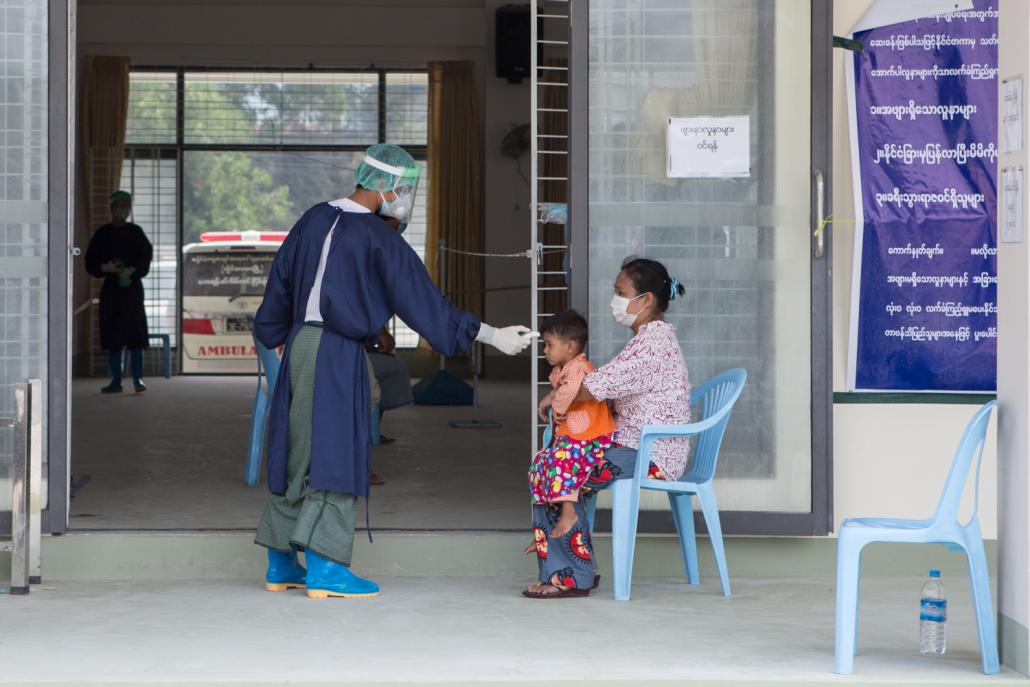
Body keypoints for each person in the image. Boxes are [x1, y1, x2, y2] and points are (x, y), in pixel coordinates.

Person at [253, 143, 532, 600]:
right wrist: (490, 334)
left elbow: (279, 283)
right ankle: (325, 570)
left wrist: (278, 336)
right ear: (387, 186)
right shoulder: (379, 238)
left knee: (297, 452)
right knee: (335, 455)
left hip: (300, 345)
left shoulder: (313, 218)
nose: (404, 196)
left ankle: (280, 562)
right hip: (338, 352)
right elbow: (424, 303)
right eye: (403, 188)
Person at [525, 257, 690, 599]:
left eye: (620, 292)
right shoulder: (647, 337)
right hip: (632, 444)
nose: (614, 300)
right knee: (550, 465)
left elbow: (592, 387)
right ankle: (576, 569)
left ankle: (569, 575)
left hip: (649, 451)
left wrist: (557, 394)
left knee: (555, 469)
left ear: (645, 300)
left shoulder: (652, 342)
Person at [524, 310, 618, 598]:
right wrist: (550, 399)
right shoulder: (566, 370)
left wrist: (554, 404)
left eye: (549, 344)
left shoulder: (579, 368)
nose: (545, 350)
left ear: (571, 346)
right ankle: (544, 538)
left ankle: (567, 513)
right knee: (540, 465)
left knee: (560, 464)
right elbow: (563, 391)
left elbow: (568, 394)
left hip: (591, 438)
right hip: (577, 437)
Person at [84, 190, 153, 394]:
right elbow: (90, 263)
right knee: (112, 334)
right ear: (112, 208)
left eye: (127, 206)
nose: (123, 210)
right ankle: (116, 379)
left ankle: (138, 379)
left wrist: (134, 269)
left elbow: (145, 257)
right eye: (119, 206)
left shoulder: (136, 232)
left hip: (132, 290)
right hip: (111, 290)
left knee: (136, 333)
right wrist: (106, 268)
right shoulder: (102, 234)